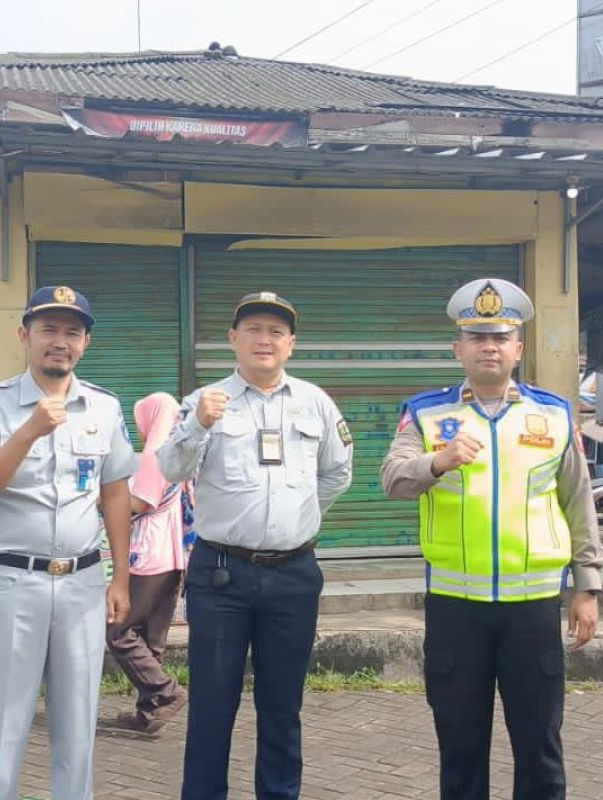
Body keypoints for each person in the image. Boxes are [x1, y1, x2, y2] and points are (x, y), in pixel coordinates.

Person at [380, 278, 603, 800]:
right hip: (458, 609)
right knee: (460, 746)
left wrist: (588, 585)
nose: (489, 347)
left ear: (518, 349)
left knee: (540, 746)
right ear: (458, 348)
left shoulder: (552, 414)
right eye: (477, 337)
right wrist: (437, 460)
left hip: (534, 609)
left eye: (501, 337)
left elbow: (578, 500)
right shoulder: (426, 414)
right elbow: (392, 479)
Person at [159, 291, 353, 800]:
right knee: (212, 706)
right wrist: (199, 424)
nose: (264, 340)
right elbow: (170, 470)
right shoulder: (204, 402)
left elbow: (336, 474)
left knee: (283, 706)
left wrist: (295, 522)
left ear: (291, 344)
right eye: (253, 329)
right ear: (233, 339)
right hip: (222, 576)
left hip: (294, 574)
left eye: (275, 331)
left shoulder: (316, 402)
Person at [0, 286, 138, 800]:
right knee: (2, 726)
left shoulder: (103, 406)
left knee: (79, 723)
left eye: (72, 332)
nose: (60, 342)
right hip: (11, 582)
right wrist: (29, 431)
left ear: (85, 343)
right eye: (48, 330)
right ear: (25, 336)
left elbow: (115, 491)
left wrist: (119, 575)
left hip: (82, 582)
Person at [107, 391, 190, 736]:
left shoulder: (158, 453)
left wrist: (103, 501)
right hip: (174, 555)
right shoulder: (180, 451)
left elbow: (140, 502)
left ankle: (165, 692)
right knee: (150, 638)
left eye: (142, 420)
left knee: (117, 631)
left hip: (151, 554)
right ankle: (149, 714)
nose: (140, 429)